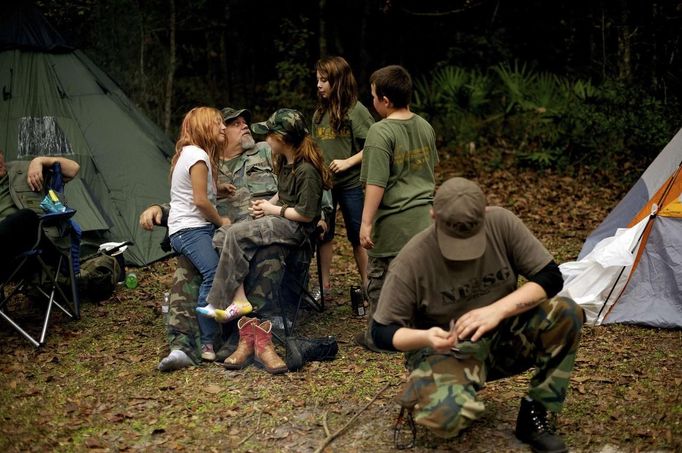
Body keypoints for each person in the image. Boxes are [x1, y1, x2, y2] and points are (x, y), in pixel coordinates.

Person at [371, 177, 583, 453]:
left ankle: (535, 413)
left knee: (567, 313)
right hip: (449, 350)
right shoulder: (412, 261)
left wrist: (497, 310)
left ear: (485, 212)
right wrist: (426, 337)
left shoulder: (502, 224)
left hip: (504, 336)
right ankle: (431, 385)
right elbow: (380, 331)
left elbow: (550, 277)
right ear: (433, 215)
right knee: (446, 420)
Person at [357, 65, 439, 352]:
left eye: (373, 96)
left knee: (380, 279)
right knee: (419, 279)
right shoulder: (424, 126)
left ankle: (380, 337)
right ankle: (418, 332)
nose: (372, 102)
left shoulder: (380, 132)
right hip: (426, 223)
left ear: (386, 101)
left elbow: (376, 184)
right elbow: (430, 171)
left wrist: (366, 224)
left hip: (394, 224)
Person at [167, 106, 234, 361]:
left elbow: (199, 192)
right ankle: (208, 342)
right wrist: (222, 221)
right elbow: (200, 201)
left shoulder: (191, 153)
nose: (223, 127)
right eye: (218, 123)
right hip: (189, 229)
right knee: (213, 272)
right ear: (205, 127)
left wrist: (220, 190)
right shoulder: (198, 156)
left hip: (190, 228)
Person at [312, 56, 374, 299]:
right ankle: (325, 287)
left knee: (359, 236)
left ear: (338, 82)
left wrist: (348, 162)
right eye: (317, 80)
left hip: (350, 185)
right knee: (323, 234)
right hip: (325, 186)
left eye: (324, 80)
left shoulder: (356, 111)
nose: (319, 85)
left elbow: (374, 145)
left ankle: (370, 286)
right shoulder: (319, 112)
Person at [0, 149, 80, 278]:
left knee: (25, 217)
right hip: (8, 258)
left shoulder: (23, 169)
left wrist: (40, 161)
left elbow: (73, 169)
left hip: (38, 241)